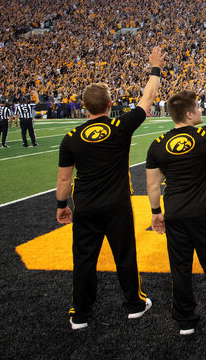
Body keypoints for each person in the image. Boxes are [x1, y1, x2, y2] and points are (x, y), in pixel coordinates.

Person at [55, 46, 165, 330]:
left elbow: (64, 179)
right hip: (116, 204)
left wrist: (61, 206)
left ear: (84, 106)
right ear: (109, 103)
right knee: (124, 255)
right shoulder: (119, 127)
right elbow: (148, 97)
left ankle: (80, 313)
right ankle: (134, 304)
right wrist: (154, 67)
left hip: (86, 206)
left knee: (84, 260)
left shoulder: (71, 138)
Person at [145, 64, 206, 335]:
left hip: (174, 213)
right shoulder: (204, 135)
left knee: (180, 268)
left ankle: (185, 321)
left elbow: (152, 184)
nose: (201, 111)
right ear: (189, 114)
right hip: (202, 212)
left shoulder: (157, 144)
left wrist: (156, 212)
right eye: (198, 109)